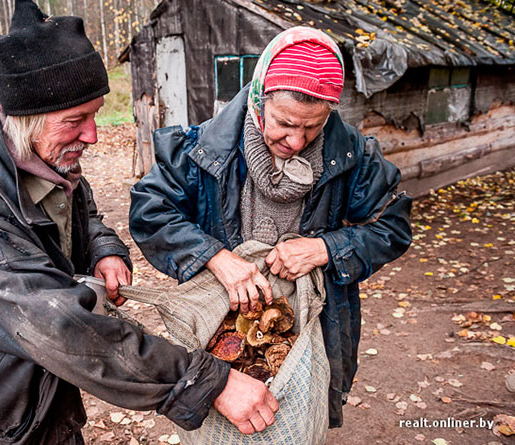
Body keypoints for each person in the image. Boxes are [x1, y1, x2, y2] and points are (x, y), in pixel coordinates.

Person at [0, 1, 279, 443]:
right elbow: (53, 322)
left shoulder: (41, 155)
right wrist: (208, 381)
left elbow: (80, 212)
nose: (93, 135)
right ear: (24, 118)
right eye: (75, 121)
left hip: (41, 372)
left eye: (95, 114)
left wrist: (103, 248)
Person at [129, 26, 413, 428]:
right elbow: (150, 211)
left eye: (312, 127)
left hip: (314, 329)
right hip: (222, 326)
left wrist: (327, 248)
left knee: (296, 421)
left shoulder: (355, 157)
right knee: (226, 421)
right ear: (260, 99)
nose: (296, 141)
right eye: (283, 123)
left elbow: (393, 226)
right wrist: (213, 256)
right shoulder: (202, 148)